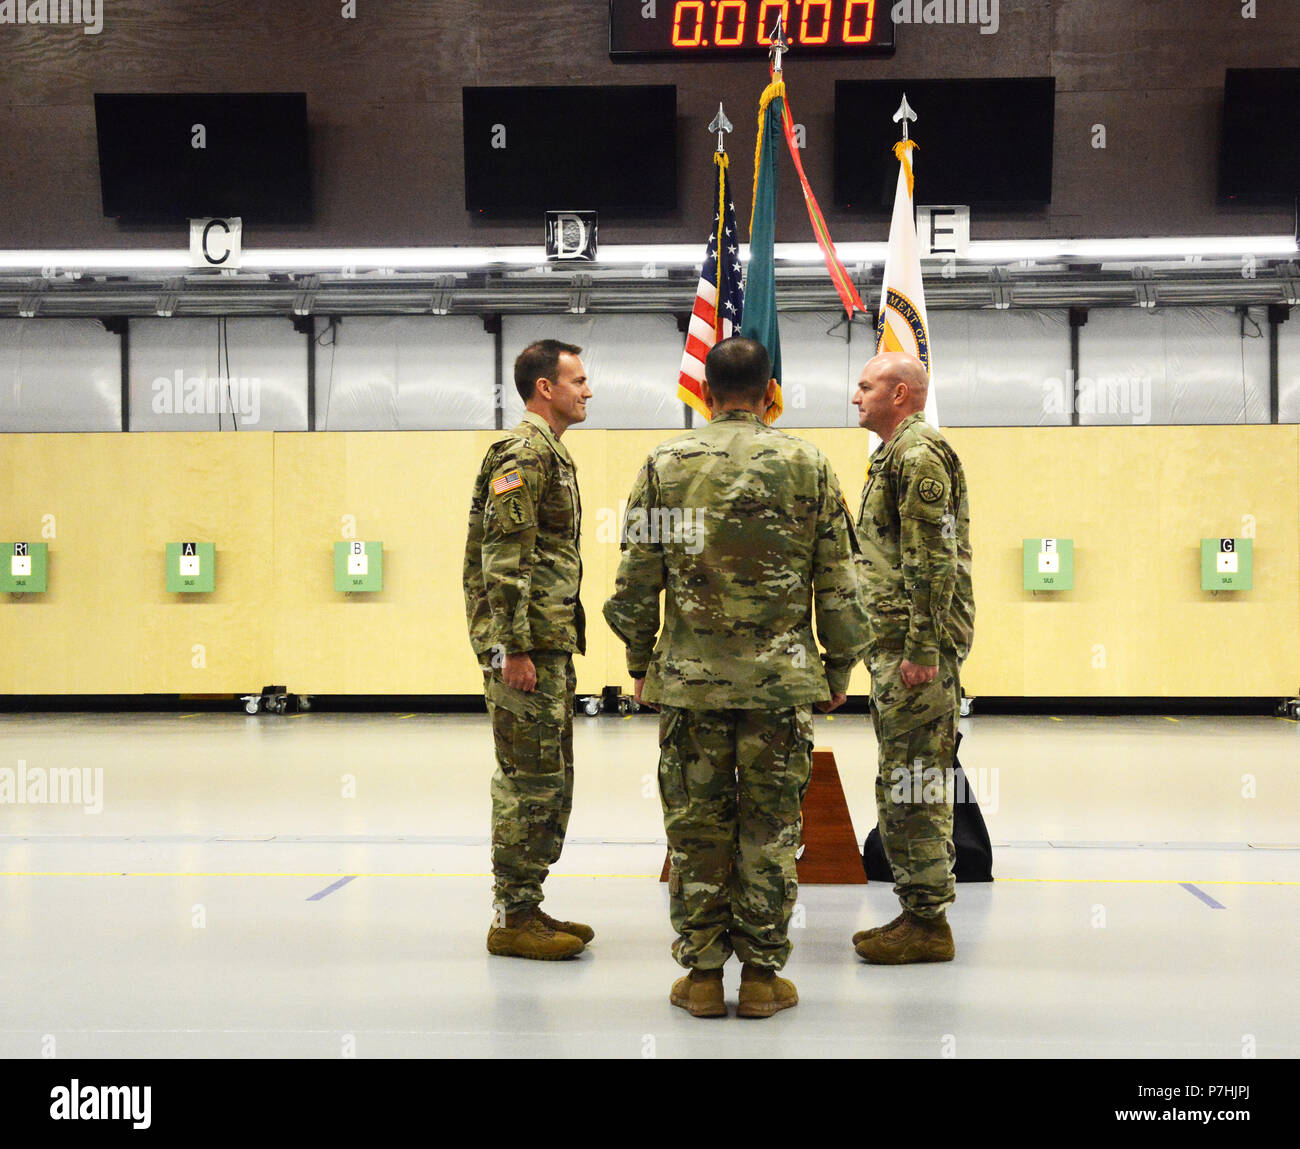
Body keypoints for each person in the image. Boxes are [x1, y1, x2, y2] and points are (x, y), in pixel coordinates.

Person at [604, 337, 870, 1018]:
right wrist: (838, 664)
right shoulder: (808, 463)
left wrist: (640, 661)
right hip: (780, 687)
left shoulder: (665, 466)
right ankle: (759, 976)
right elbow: (838, 579)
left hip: (690, 687)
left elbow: (637, 580)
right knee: (771, 829)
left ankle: (699, 976)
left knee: (696, 828)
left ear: (704, 390)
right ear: (768, 389)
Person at [463, 339, 594, 960]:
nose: (586, 390)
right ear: (546, 387)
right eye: (578, 379)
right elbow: (504, 558)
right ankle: (512, 916)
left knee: (549, 775)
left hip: (545, 645)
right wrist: (512, 649)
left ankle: (528, 903)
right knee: (528, 779)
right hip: (525, 650)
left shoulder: (551, 455)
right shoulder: (523, 454)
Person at [850, 351, 974, 963]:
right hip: (896, 647)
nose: (856, 396)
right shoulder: (895, 456)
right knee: (902, 776)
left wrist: (923, 647)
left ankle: (927, 922)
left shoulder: (919, 456)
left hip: (913, 653)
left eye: (866, 386)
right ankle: (915, 911)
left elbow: (932, 558)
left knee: (917, 782)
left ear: (900, 394)